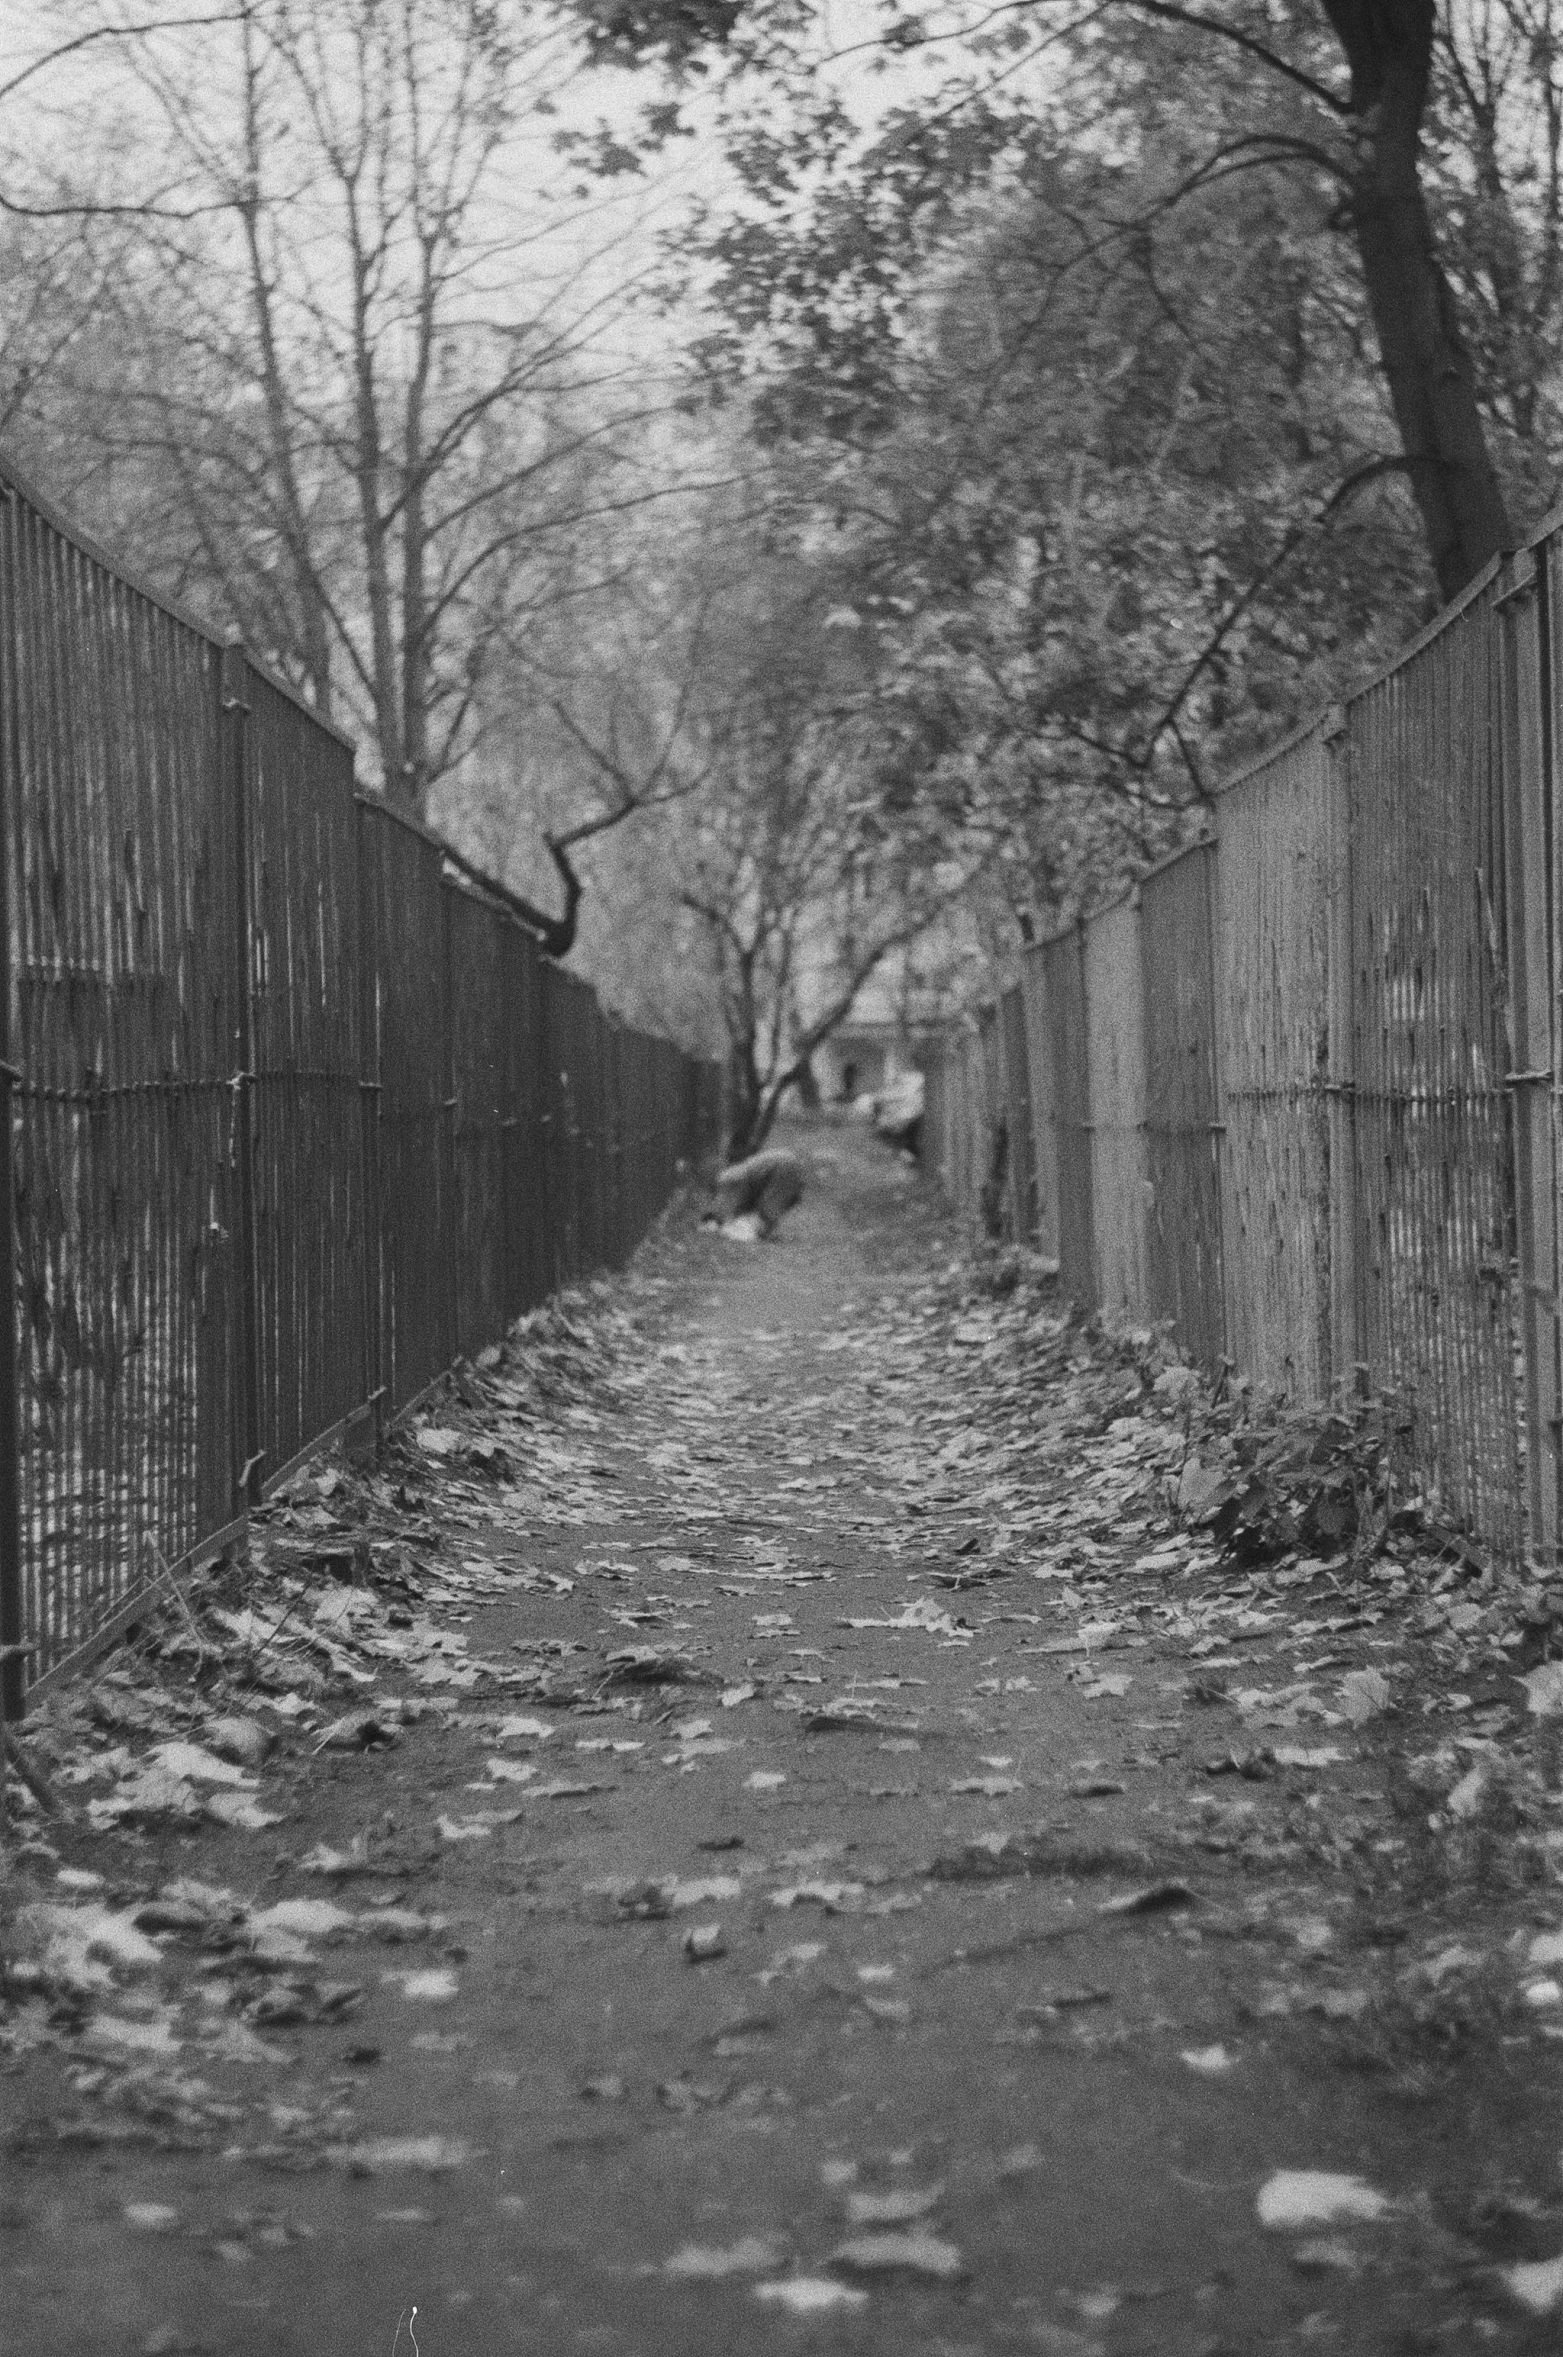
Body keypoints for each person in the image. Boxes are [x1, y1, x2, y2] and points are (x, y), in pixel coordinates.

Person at [711, 1145, 806, 1237]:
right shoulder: (732, 1177)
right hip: (783, 1167)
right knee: (767, 1211)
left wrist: (722, 1223)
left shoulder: (728, 1181)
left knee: (766, 1212)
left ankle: (752, 1233)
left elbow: (726, 1209)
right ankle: (758, 1232)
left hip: (782, 1168)